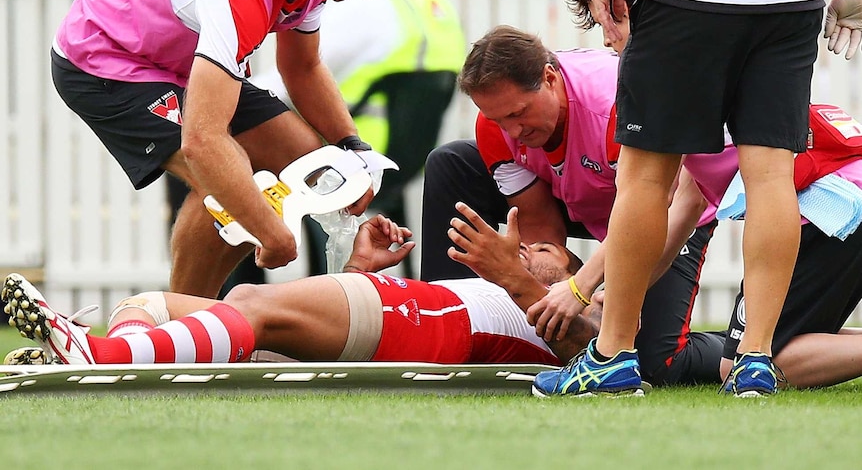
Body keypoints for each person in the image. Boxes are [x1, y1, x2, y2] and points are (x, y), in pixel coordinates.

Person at [532, 0, 862, 397]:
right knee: (771, 178)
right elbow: (685, 210)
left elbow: (668, 201)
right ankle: (754, 360)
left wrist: (584, 290)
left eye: (613, 21)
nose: (606, 35)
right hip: (792, 2)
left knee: (644, 178)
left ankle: (610, 357)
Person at [420, 25, 734, 388]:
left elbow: (654, 208)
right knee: (452, 161)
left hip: (666, 208)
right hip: (585, 196)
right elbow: (540, 227)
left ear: (549, 78)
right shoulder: (498, 126)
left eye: (519, 113)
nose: (513, 130)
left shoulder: (614, 107)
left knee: (652, 361)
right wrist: (536, 275)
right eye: (499, 119)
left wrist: (591, 291)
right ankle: (452, 319)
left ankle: (744, 348)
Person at [51, 0, 376, 300]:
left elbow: (302, 67)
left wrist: (352, 148)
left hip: (173, 58)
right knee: (226, 186)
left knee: (298, 152)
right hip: (105, 58)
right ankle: (182, 335)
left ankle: (198, 320)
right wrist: (271, 234)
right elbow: (202, 144)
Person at [3, 204, 596, 368]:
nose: (524, 250)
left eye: (542, 251)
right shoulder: (513, 288)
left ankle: (99, 353)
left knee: (247, 302)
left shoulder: (580, 310)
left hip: (437, 323)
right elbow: (358, 327)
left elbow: (590, 350)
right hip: (414, 316)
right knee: (147, 304)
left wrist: (514, 275)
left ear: (575, 279)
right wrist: (362, 268)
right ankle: (105, 355)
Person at [250, 0, 466, 279]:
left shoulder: (364, 6)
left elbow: (297, 73)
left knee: (242, 169)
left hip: (358, 155)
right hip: (404, 157)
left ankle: (239, 299)